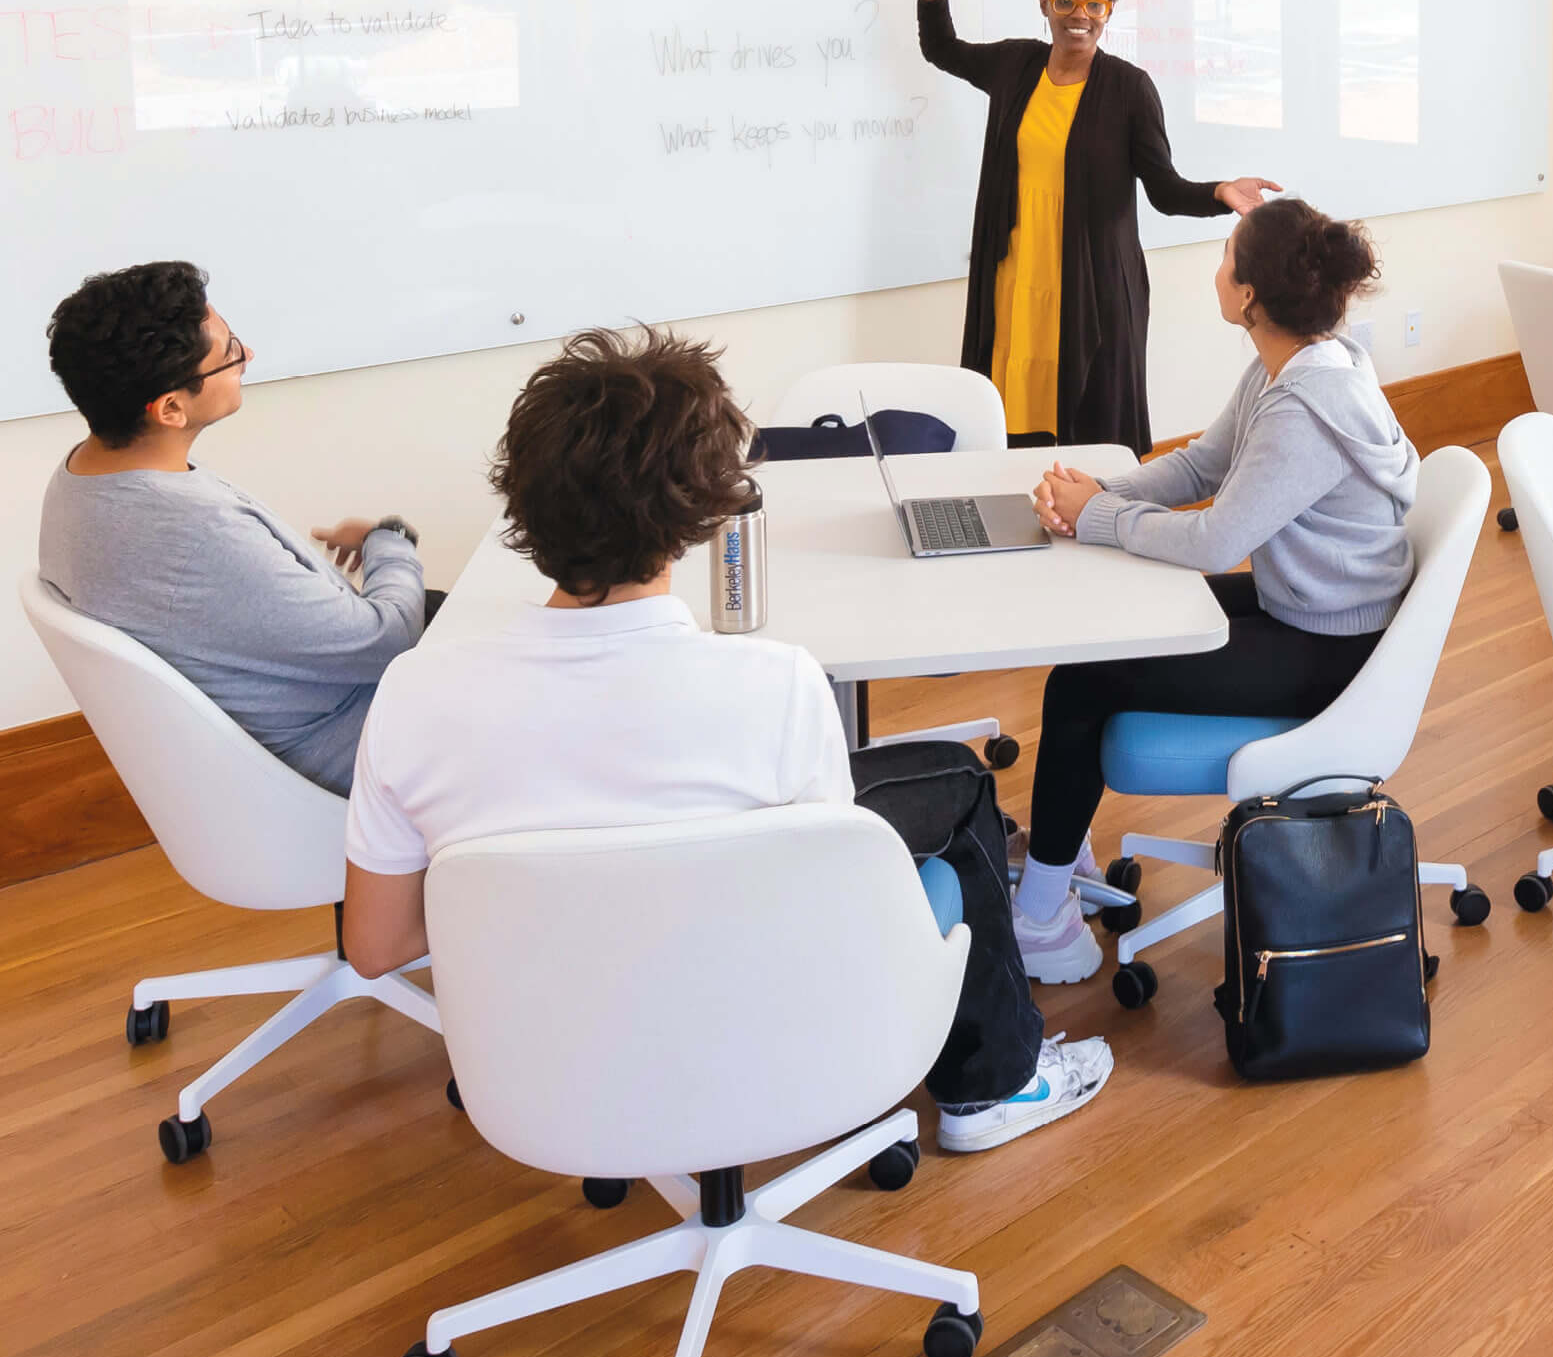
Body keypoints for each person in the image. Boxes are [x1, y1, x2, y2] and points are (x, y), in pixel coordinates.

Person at [337, 327, 1108, 1155]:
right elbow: (828, 909)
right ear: (702, 512)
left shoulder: (414, 696)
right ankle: (993, 1085)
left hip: (544, 1062)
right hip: (753, 1028)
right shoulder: (775, 686)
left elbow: (376, 945)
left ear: (522, 504)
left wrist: (558, 903)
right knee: (955, 781)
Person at [1015, 199, 1418, 985]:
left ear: (1250, 296)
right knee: (1107, 635)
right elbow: (1202, 466)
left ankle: (1041, 922)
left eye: (1225, 255)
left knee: (1084, 677)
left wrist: (1097, 514)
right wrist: (1102, 490)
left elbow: (1215, 540)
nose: (1216, 269)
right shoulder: (1296, 364)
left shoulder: (1305, 407)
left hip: (1331, 648)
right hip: (1307, 605)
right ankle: (1059, 857)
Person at [900, 0, 1280, 455]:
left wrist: (1220, 191)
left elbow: (1165, 190)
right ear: (1045, 4)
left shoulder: (1129, 89)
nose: (1080, 15)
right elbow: (941, 47)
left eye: (1095, 4)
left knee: (1088, 432)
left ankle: (1096, 522)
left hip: (1091, 288)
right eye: (1065, 0)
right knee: (1009, 416)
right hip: (1016, 279)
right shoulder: (1014, 66)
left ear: (1109, 11)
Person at [37, 261, 426, 791]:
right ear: (172, 408)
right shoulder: (196, 534)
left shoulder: (81, 475)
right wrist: (391, 540)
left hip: (290, 714)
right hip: (353, 740)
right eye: (230, 353)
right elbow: (387, 641)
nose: (248, 358)